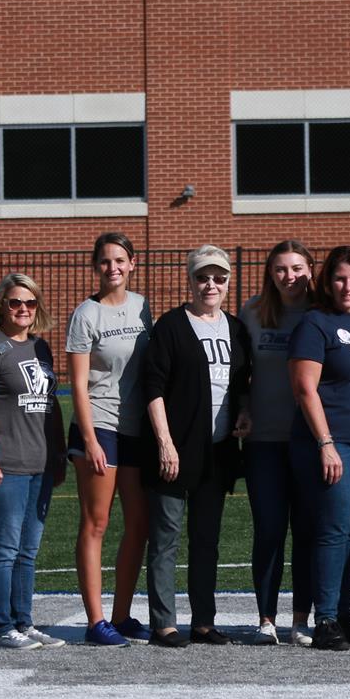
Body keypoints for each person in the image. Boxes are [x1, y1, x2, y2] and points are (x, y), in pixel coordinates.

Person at [141, 246, 253, 647]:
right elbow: (152, 387)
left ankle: (203, 621)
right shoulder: (171, 326)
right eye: (203, 277)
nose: (211, 285)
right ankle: (163, 623)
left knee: (207, 539)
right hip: (176, 449)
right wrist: (165, 443)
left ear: (228, 282)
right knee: (166, 537)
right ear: (189, 280)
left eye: (219, 278)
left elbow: (242, 384)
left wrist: (244, 411)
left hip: (219, 451)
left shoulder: (237, 329)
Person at [289, 245, 350, 651]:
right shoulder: (315, 324)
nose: (348, 286)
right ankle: (325, 619)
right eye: (340, 279)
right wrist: (326, 443)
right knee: (331, 531)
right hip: (338, 442)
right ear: (326, 283)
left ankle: (342, 617)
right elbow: (304, 388)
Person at [0, 274, 66, 649]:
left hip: (39, 465)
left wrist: (57, 455)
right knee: (5, 549)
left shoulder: (42, 348)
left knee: (28, 551)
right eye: (15, 302)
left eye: (30, 303)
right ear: (1, 306)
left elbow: (51, 407)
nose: (23, 309)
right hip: (4, 465)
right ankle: (3, 626)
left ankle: (25, 622)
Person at [65, 232, 151, 646]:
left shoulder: (143, 307)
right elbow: (78, 385)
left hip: (137, 427)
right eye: (105, 261)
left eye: (120, 260)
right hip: (98, 424)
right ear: (95, 266)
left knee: (139, 521)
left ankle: (121, 615)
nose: (113, 267)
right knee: (97, 522)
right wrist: (90, 439)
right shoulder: (86, 314)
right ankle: (96, 621)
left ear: (132, 263)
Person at [240, 241, 317, 645]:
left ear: (310, 269)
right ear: (270, 274)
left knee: (306, 530)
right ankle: (266, 618)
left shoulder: (324, 312)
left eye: (297, 268)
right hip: (263, 441)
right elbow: (239, 373)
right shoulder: (252, 313)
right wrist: (243, 409)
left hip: (310, 440)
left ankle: (300, 619)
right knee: (269, 529)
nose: (290, 277)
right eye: (281, 269)